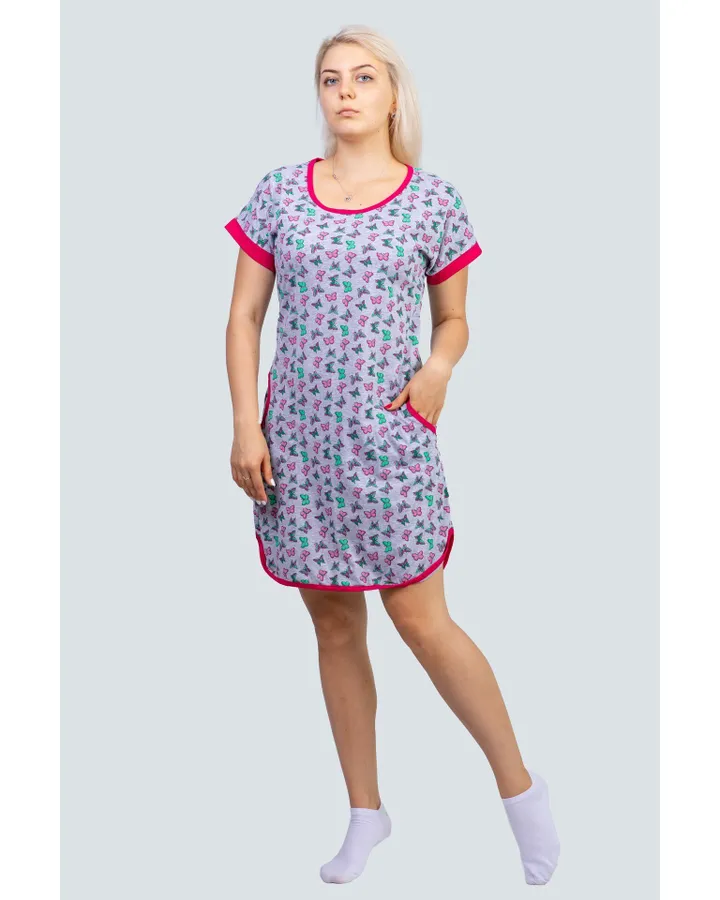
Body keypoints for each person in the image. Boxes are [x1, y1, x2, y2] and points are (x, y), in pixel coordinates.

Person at [224, 24, 560, 887]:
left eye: (363, 78)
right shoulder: (279, 193)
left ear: (393, 96)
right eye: (331, 78)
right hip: (297, 447)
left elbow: (454, 319)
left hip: (388, 440)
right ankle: (365, 813)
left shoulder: (432, 201)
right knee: (334, 624)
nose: (345, 92)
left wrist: (438, 370)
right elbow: (245, 317)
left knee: (422, 621)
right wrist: (246, 426)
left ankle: (521, 790)